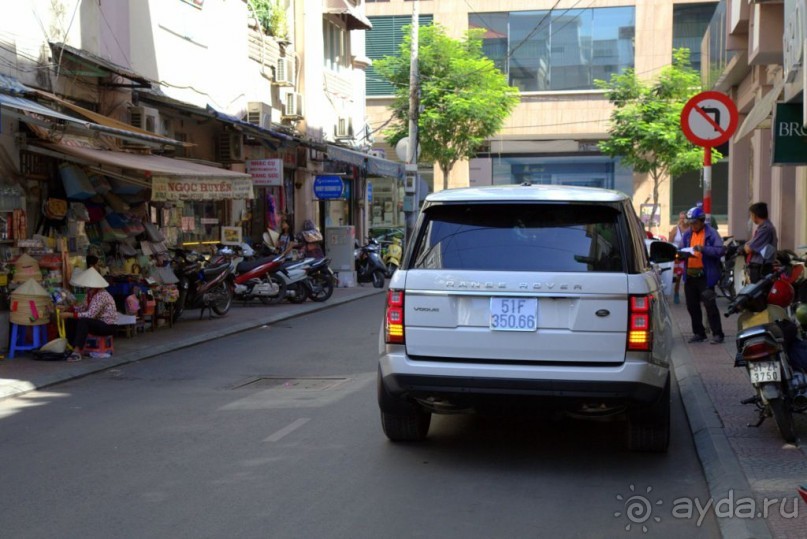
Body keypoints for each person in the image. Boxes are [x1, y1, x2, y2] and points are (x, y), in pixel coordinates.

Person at [681, 206, 726, 344]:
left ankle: (717, 333)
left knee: (710, 305)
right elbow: (681, 249)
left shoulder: (711, 234)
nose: (692, 226)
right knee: (692, 306)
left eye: (694, 223)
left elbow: (720, 250)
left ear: (701, 221)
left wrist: (703, 249)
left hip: (705, 276)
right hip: (690, 276)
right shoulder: (688, 234)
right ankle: (699, 333)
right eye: (690, 223)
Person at [59, 267, 118, 361]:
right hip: (97, 322)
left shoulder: (102, 295)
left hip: (108, 326)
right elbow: (82, 307)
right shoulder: (90, 293)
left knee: (83, 321)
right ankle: (71, 346)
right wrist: (68, 309)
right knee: (71, 320)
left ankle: (77, 351)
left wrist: (69, 314)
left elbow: (90, 315)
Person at [743, 201, 778, 284]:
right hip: (758, 265)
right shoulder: (762, 227)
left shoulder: (765, 229)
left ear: (756, 215)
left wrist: (746, 246)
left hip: (761, 267)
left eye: (751, 215)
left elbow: (749, 248)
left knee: (758, 293)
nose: (751, 217)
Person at [668, 211, 689, 304]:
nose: (682, 220)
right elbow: (669, 242)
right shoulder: (675, 229)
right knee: (678, 276)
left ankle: (688, 294)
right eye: (681, 218)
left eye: (684, 218)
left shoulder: (690, 229)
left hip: (687, 254)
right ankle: (676, 293)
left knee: (686, 276)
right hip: (677, 255)